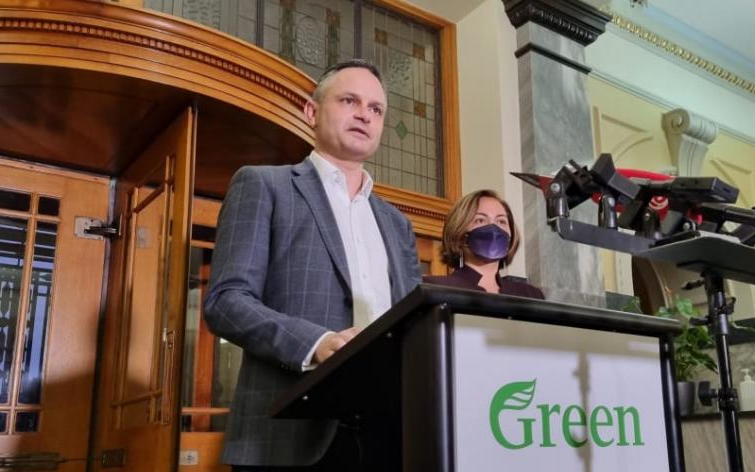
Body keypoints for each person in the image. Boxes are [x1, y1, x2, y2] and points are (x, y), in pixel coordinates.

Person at [203, 59, 422, 471]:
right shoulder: (263, 185)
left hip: (387, 430)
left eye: (376, 109)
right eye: (349, 100)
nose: (364, 114)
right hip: (288, 434)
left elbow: (411, 323)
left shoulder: (397, 223)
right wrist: (317, 343)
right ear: (312, 112)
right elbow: (226, 301)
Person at [424, 189, 544, 299]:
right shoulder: (433, 288)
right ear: (459, 233)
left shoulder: (530, 295)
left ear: (511, 234)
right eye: (480, 220)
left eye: (501, 221)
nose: (493, 228)